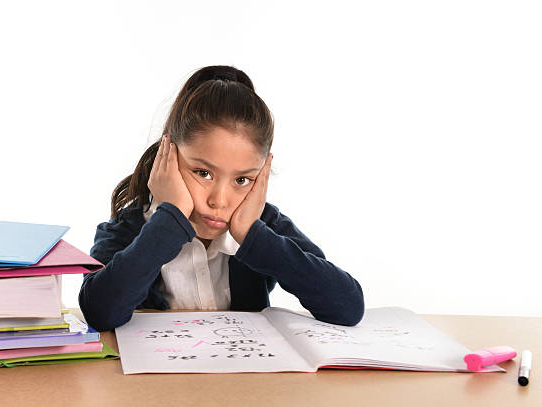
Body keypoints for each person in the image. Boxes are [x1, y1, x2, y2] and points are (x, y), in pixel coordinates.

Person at [79, 65, 364, 331]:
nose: (219, 200)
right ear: (169, 156)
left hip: (243, 382)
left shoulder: (262, 225)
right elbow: (100, 312)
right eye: (203, 173)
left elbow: (347, 307)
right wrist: (168, 220)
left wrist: (253, 236)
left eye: (242, 180)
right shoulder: (129, 228)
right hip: (156, 383)